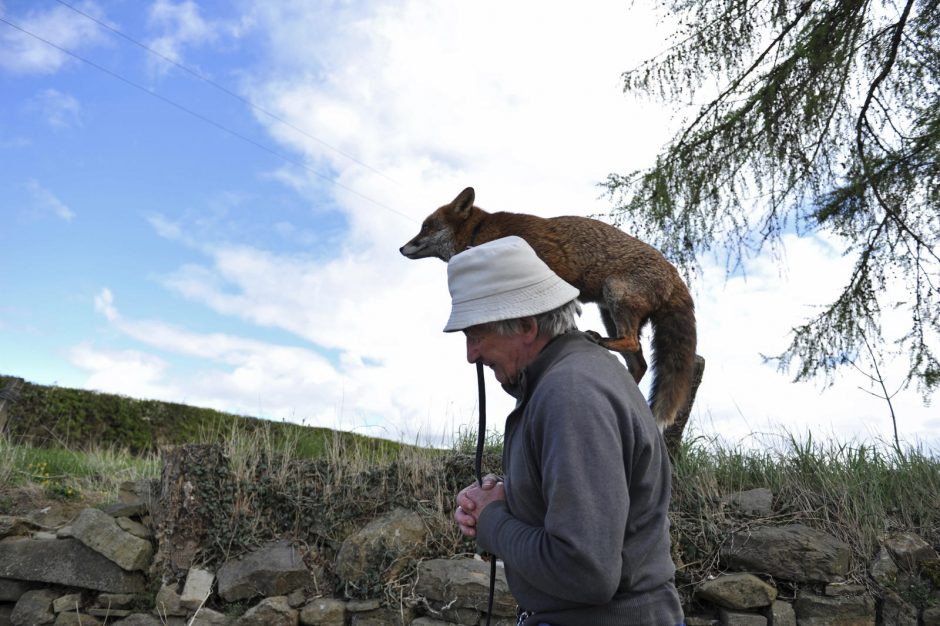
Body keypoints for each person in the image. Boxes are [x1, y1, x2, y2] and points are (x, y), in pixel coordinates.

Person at [445, 236, 684, 626]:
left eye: (476, 334)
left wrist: (492, 521)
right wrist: (521, 496)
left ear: (525, 325)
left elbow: (584, 570)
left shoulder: (571, 394)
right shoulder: (571, 376)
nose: (471, 354)